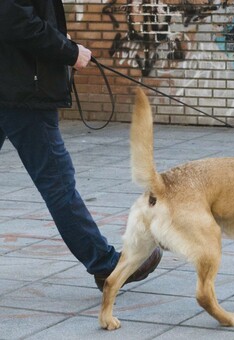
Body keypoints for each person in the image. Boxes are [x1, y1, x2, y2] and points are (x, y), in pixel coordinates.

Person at [0, 0, 161, 291]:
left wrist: (62, 41)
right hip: (22, 94)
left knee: (57, 183)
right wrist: (69, 51)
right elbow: (15, 21)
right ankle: (105, 265)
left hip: (15, 86)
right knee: (58, 184)